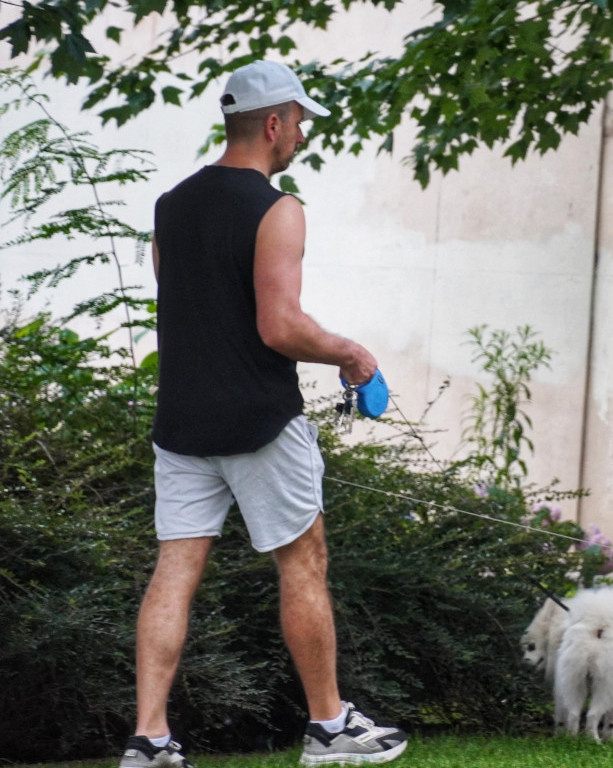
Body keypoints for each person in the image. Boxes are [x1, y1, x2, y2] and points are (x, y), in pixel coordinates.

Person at [120, 60, 408, 768]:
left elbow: (185, 300)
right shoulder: (278, 208)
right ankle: (328, 728)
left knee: (175, 570)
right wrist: (350, 353)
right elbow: (278, 326)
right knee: (303, 562)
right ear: (274, 123)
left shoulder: (170, 206)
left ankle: (149, 740)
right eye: (301, 121)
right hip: (257, 419)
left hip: (182, 424)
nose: (303, 135)